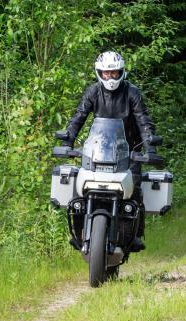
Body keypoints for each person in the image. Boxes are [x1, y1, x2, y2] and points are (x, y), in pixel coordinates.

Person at [62, 51, 158, 252]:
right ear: (99, 73)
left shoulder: (132, 93)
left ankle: (136, 234)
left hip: (129, 149)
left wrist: (149, 144)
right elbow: (79, 116)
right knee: (78, 191)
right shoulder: (93, 92)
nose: (110, 77)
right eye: (106, 73)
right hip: (98, 150)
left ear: (121, 72)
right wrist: (67, 139)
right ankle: (80, 232)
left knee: (136, 190)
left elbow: (143, 120)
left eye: (114, 73)